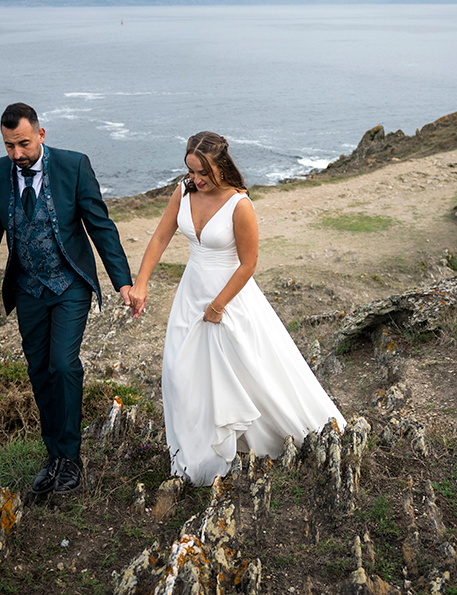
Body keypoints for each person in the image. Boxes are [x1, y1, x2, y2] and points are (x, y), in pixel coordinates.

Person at [129, 131, 346, 485]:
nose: (196, 180)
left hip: (229, 298)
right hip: (191, 293)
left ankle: (256, 442)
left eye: (203, 172)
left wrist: (218, 305)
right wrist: (142, 282)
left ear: (221, 166)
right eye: (190, 171)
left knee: (245, 373)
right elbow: (160, 237)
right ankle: (193, 458)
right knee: (180, 372)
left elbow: (249, 263)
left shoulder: (239, 204)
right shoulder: (183, 191)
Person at [0, 103, 133, 496]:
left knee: (63, 365)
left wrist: (122, 282)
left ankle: (72, 458)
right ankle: (53, 457)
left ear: (41, 135)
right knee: (39, 372)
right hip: (27, 289)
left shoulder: (74, 166)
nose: (17, 154)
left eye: (23, 144)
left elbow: (100, 225)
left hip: (69, 284)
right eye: (9, 146)